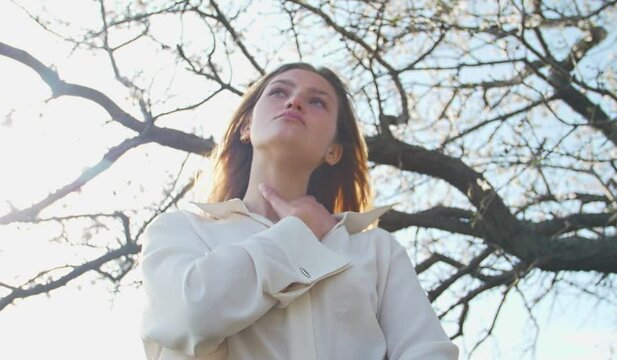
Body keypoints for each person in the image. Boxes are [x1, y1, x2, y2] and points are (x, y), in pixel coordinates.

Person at [139, 63, 459, 359]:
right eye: (279, 91)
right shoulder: (179, 230)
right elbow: (188, 316)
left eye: (317, 101)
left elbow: (427, 353)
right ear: (246, 127)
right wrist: (297, 234)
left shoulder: (376, 250)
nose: (294, 102)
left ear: (333, 150)